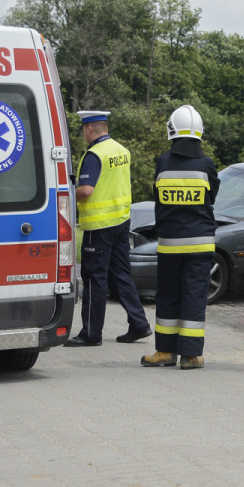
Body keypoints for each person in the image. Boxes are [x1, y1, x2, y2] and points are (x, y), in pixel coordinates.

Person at [142, 105, 219, 370]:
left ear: (171, 132)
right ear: (199, 133)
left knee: (168, 296)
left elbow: (157, 196)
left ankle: (164, 352)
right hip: (200, 243)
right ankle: (190, 355)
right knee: (194, 297)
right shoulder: (207, 164)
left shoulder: (163, 162)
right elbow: (212, 197)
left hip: (170, 243)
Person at [67, 110, 153, 347]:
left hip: (99, 225)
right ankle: (139, 324)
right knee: (121, 275)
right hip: (121, 222)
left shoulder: (95, 154)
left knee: (94, 279)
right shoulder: (122, 151)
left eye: (83, 130)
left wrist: (64, 199)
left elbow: (85, 190)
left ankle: (91, 334)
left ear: (89, 129)